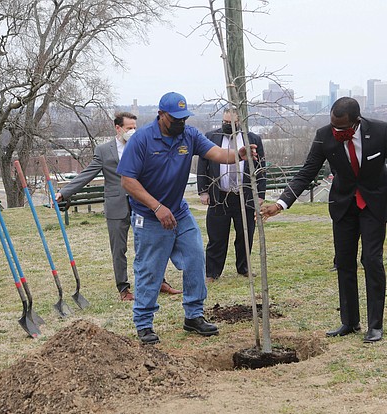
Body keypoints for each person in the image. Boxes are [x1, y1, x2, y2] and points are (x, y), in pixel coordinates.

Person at [260, 97, 387, 343]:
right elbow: (307, 171)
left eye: (341, 128)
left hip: (374, 202)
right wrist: (281, 203)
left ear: (356, 122)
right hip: (343, 205)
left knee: (371, 260)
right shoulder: (324, 135)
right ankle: (350, 322)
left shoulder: (382, 131)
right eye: (333, 125)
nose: (336, 131)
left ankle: (375, 325)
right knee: (344, 262)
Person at [117, 92, 257, 344]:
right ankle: (144, 324)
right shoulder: (142, 140)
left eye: (184, 117)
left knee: (195, 257)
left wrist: (239, 154)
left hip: (178, 211)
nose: (181, 122)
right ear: (161, 115)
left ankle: (193, 315)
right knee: (150, 269)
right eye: (175, 118)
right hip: (149, 215)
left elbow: (216, 154)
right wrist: (157, 207)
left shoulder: (189, 135)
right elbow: (128, 180)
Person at [55, 112, 182, 302]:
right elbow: (88, 173)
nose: (132, 131)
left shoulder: (143, 144)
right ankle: (124, 289)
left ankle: (159, 281)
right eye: (129, 128)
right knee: (118, 249)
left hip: (142, 204)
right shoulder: (104, 150)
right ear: (118, 128)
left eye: (134, 127)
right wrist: (64, 192)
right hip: (117, 205)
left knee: (151, 244)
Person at [197, 109, 266, 282]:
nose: (227, 126)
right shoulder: (211, 137)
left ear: (240, 122)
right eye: (225, 122)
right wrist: (203, 191)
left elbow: (261, 168)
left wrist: (260, 194)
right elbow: (202, 166)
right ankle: (212, 273)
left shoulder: (253, 140)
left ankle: (244, 268)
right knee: (216, 237)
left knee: (245, 235)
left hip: (244, 196)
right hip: (219, 195)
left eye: (231, 123)